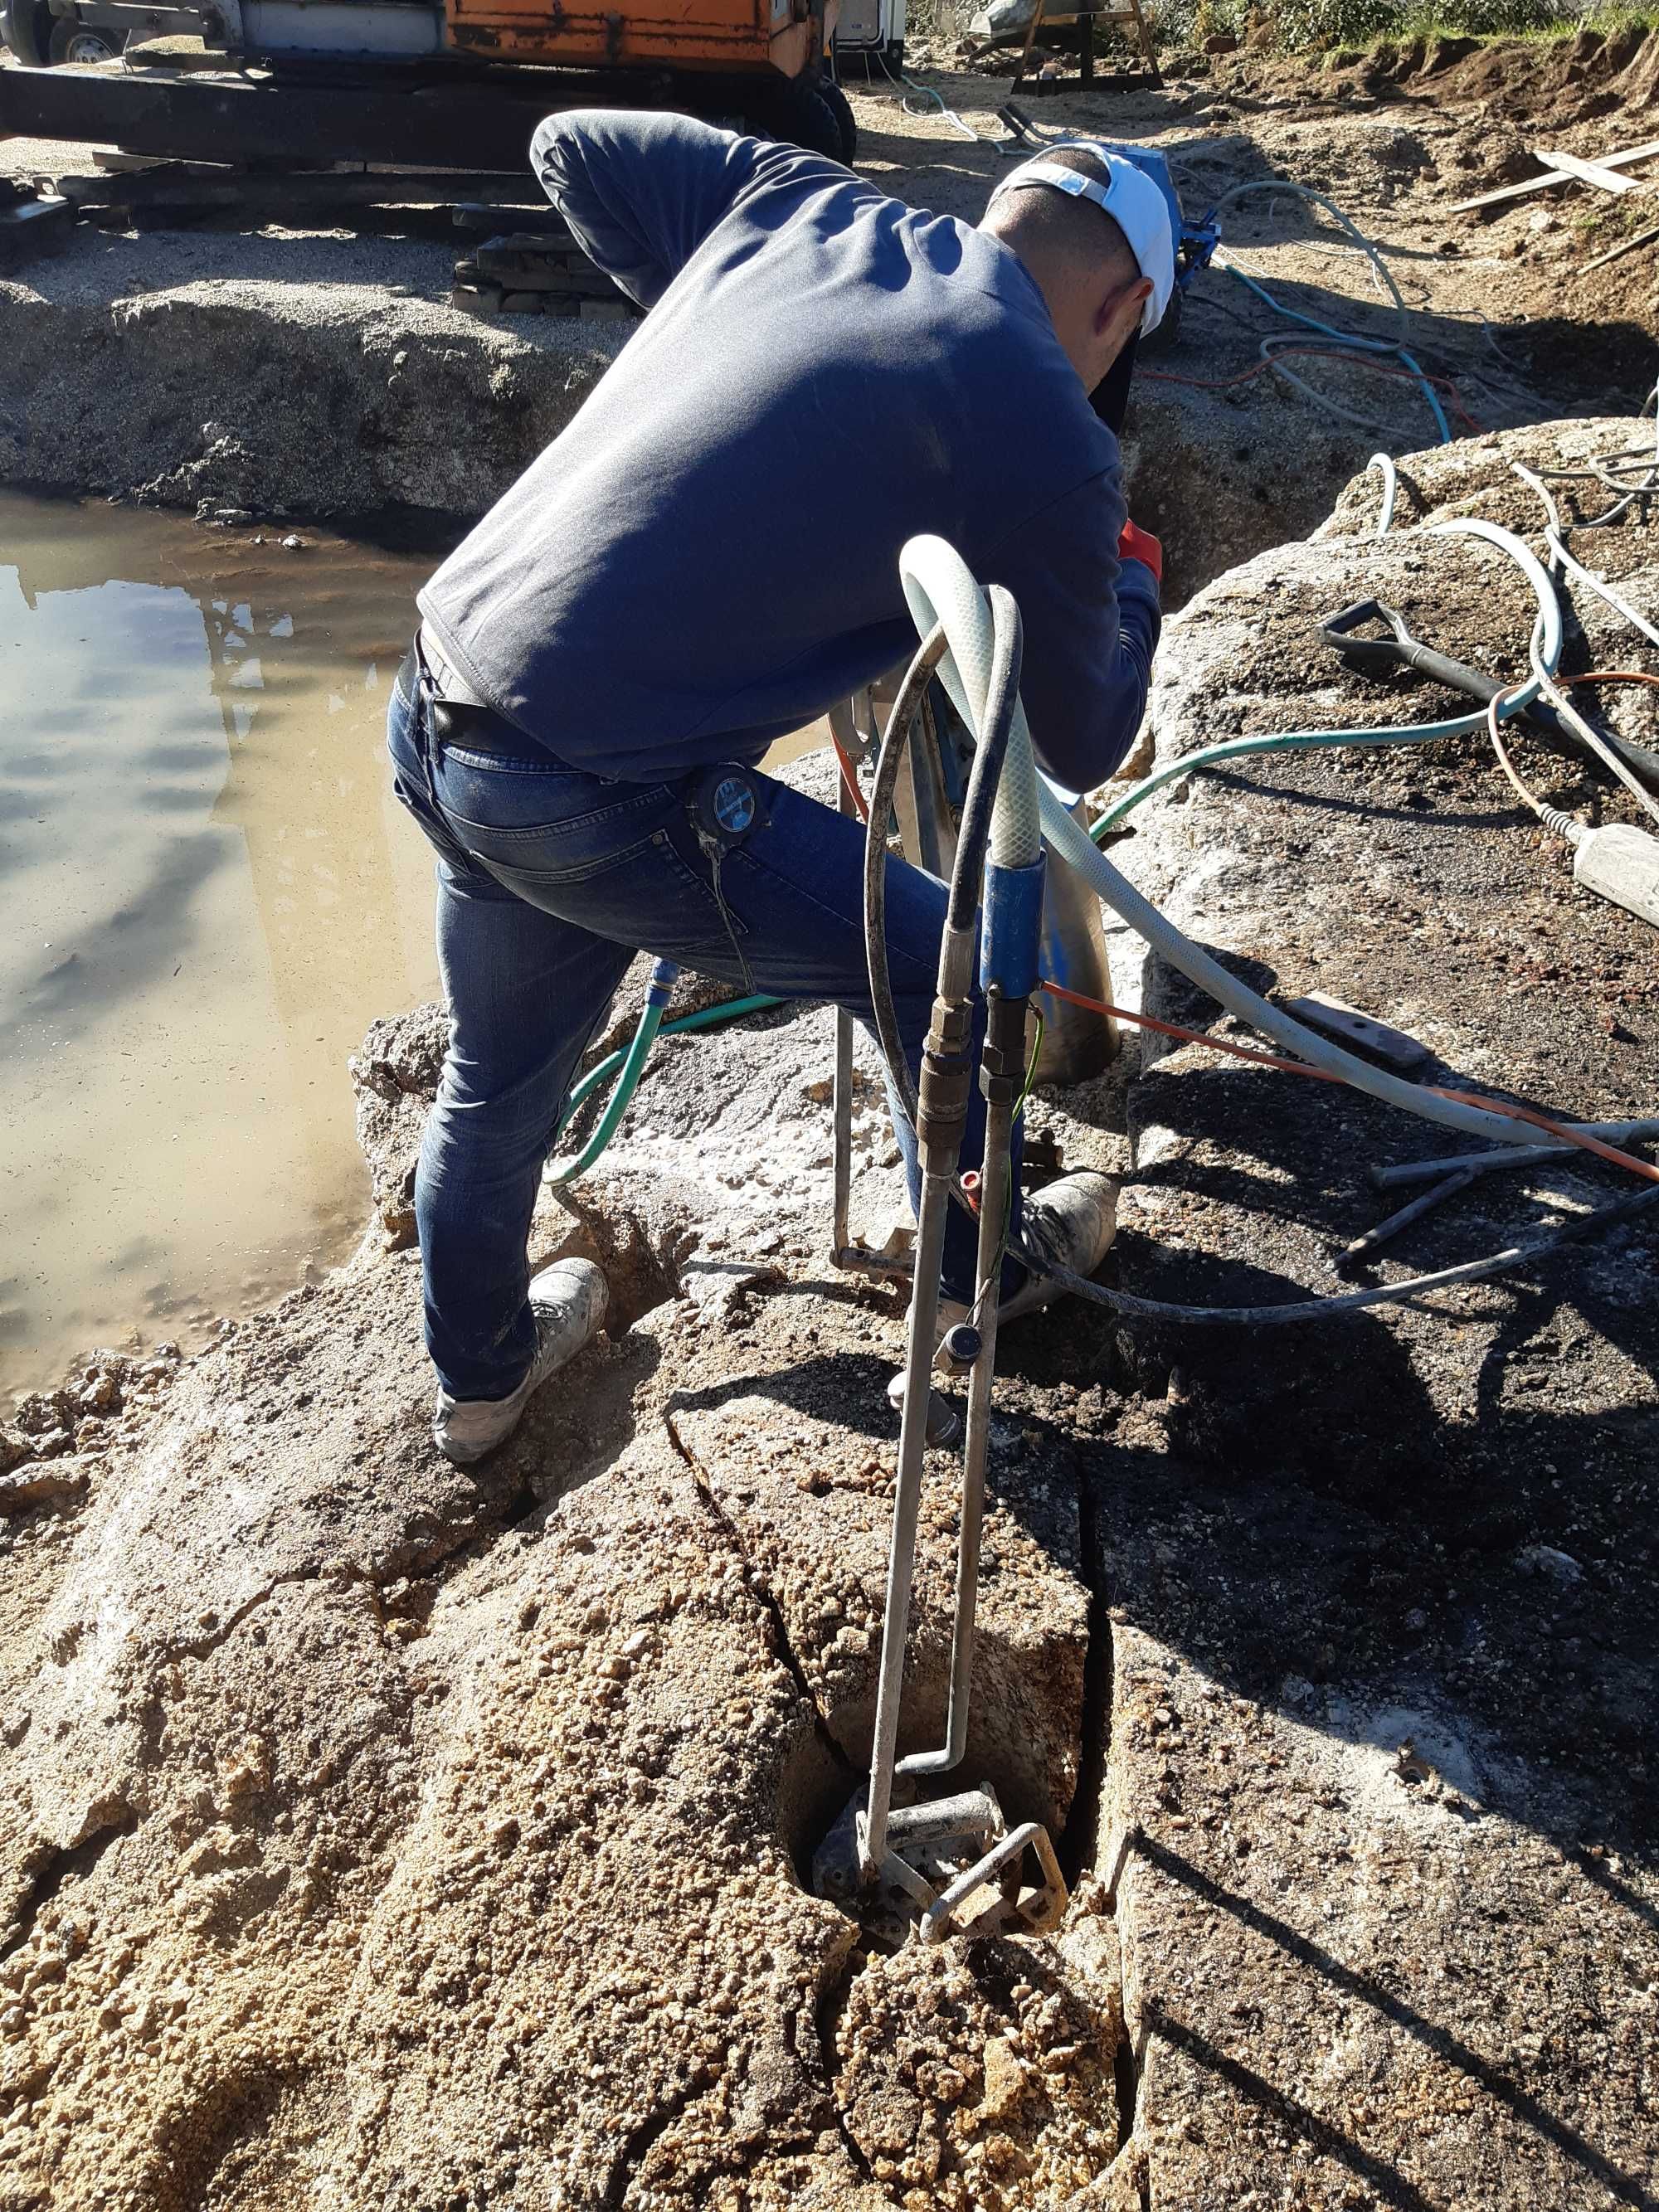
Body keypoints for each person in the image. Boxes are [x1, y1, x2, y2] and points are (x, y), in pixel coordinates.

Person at [388, 112, 1172, 1464]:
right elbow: (1085, 736)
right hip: (599, 784)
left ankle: (480, 1388)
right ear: (1119, 304)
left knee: (497, 1071)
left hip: (442, 697)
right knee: (938, 956)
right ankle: (986, 1270)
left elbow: (568, 144)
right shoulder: (1045, 427)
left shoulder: (798, 199)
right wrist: (1136, 583)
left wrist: (722, 335)